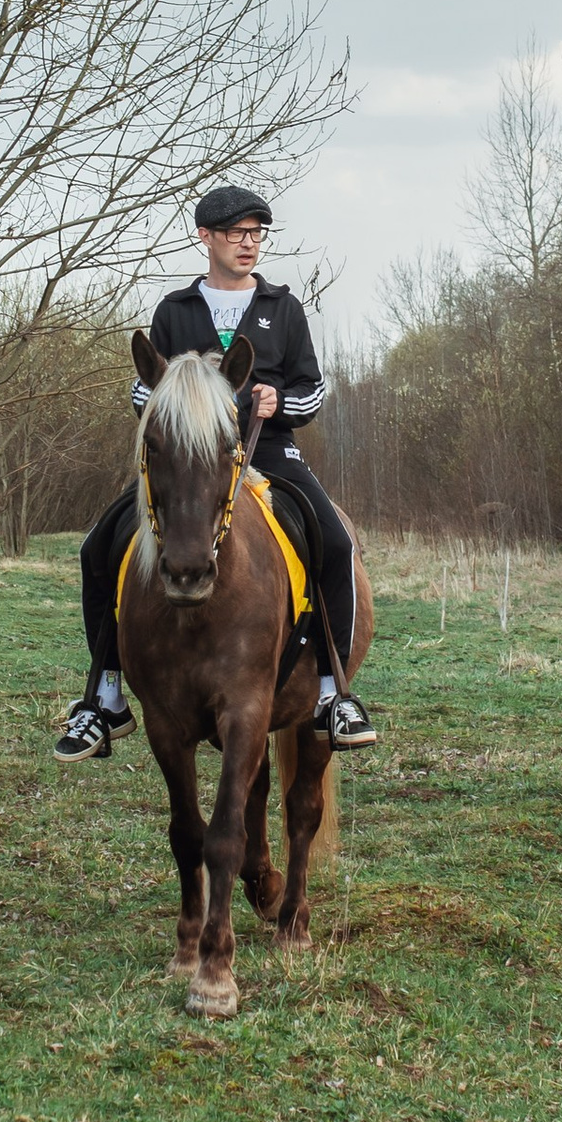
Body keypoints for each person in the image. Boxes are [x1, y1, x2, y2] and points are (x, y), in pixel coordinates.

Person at [54, 182, 378, 760]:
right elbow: (143, 386)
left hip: (270, 454)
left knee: (333, 540)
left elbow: (313, 388)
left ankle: (334, 694)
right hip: (188, 461)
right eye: (236, 234)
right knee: (96, 547)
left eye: (257, 234)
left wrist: (281, 401)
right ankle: (103, 698)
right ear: (206, 237)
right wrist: (174, 401)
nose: (248, 244)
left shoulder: (283, 307)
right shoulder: (175, 311)